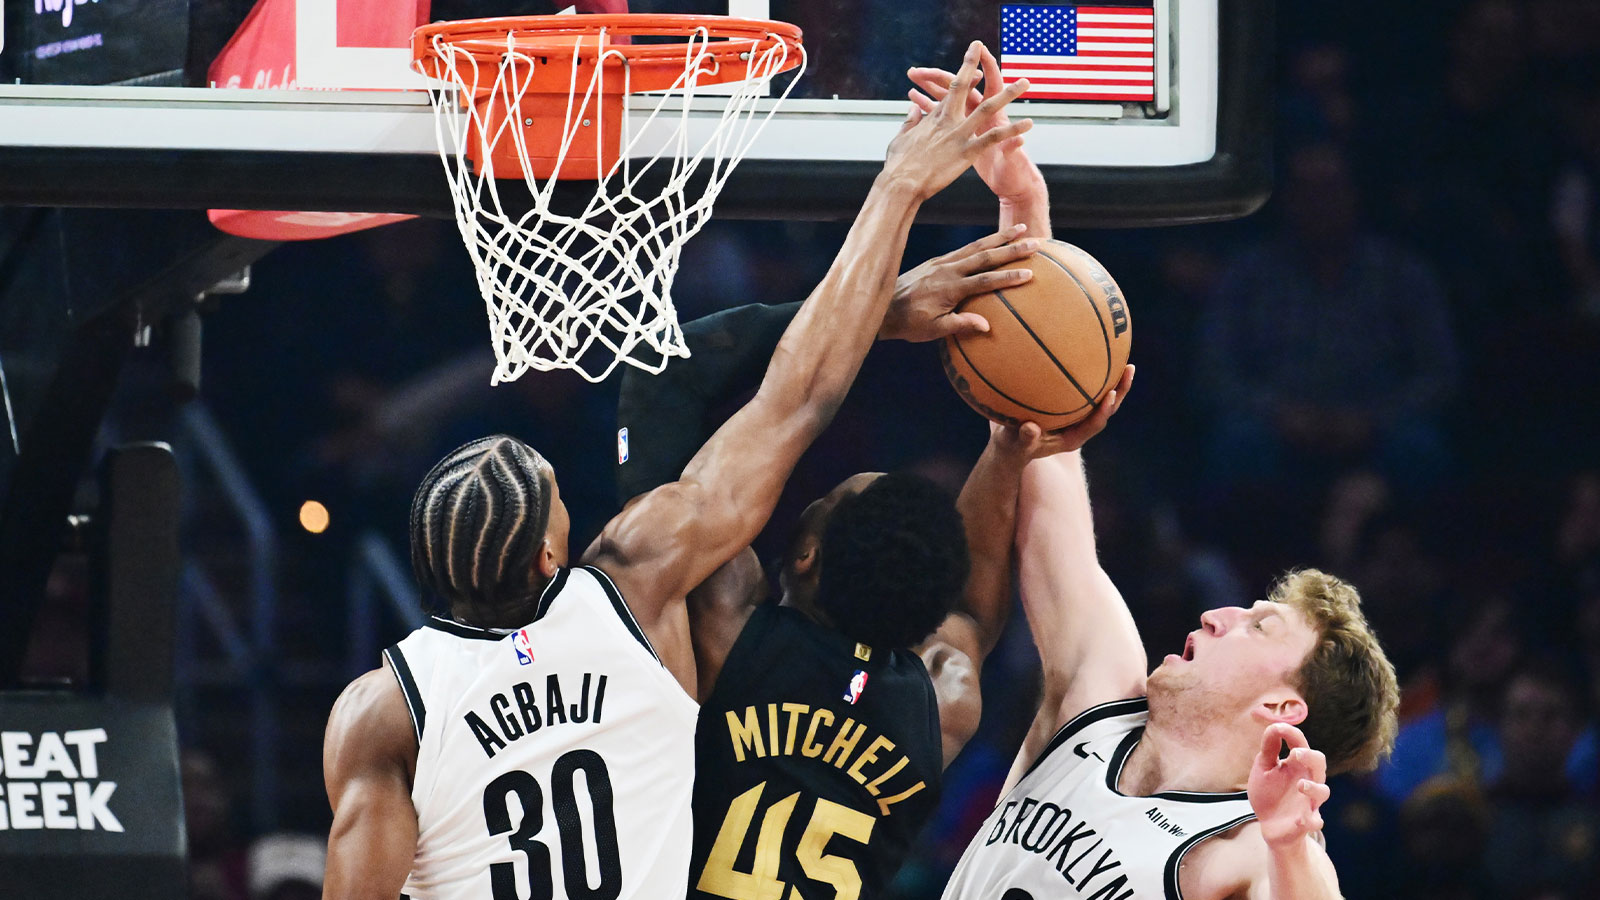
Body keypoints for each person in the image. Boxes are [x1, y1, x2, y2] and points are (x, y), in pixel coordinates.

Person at [318, 43, 1034, 900]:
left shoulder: (384, 710)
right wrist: (898, 194)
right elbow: (795, 401)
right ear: (554, 560)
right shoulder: (631, 598)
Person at [907, 56, 1402, 900]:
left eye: (1255, 624)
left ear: (1283, 712)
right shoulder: (1101, 696)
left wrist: (1290, 850)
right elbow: (1047, 458)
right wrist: (1025, 208)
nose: (1217, 613)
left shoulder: (1247, 847)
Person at [613, 240, 1131, 898]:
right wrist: (1008, 450)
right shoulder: (941, 699)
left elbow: (666, 371)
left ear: (804, 554)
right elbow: (971, 612)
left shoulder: (720, 631)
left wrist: (876, 313)